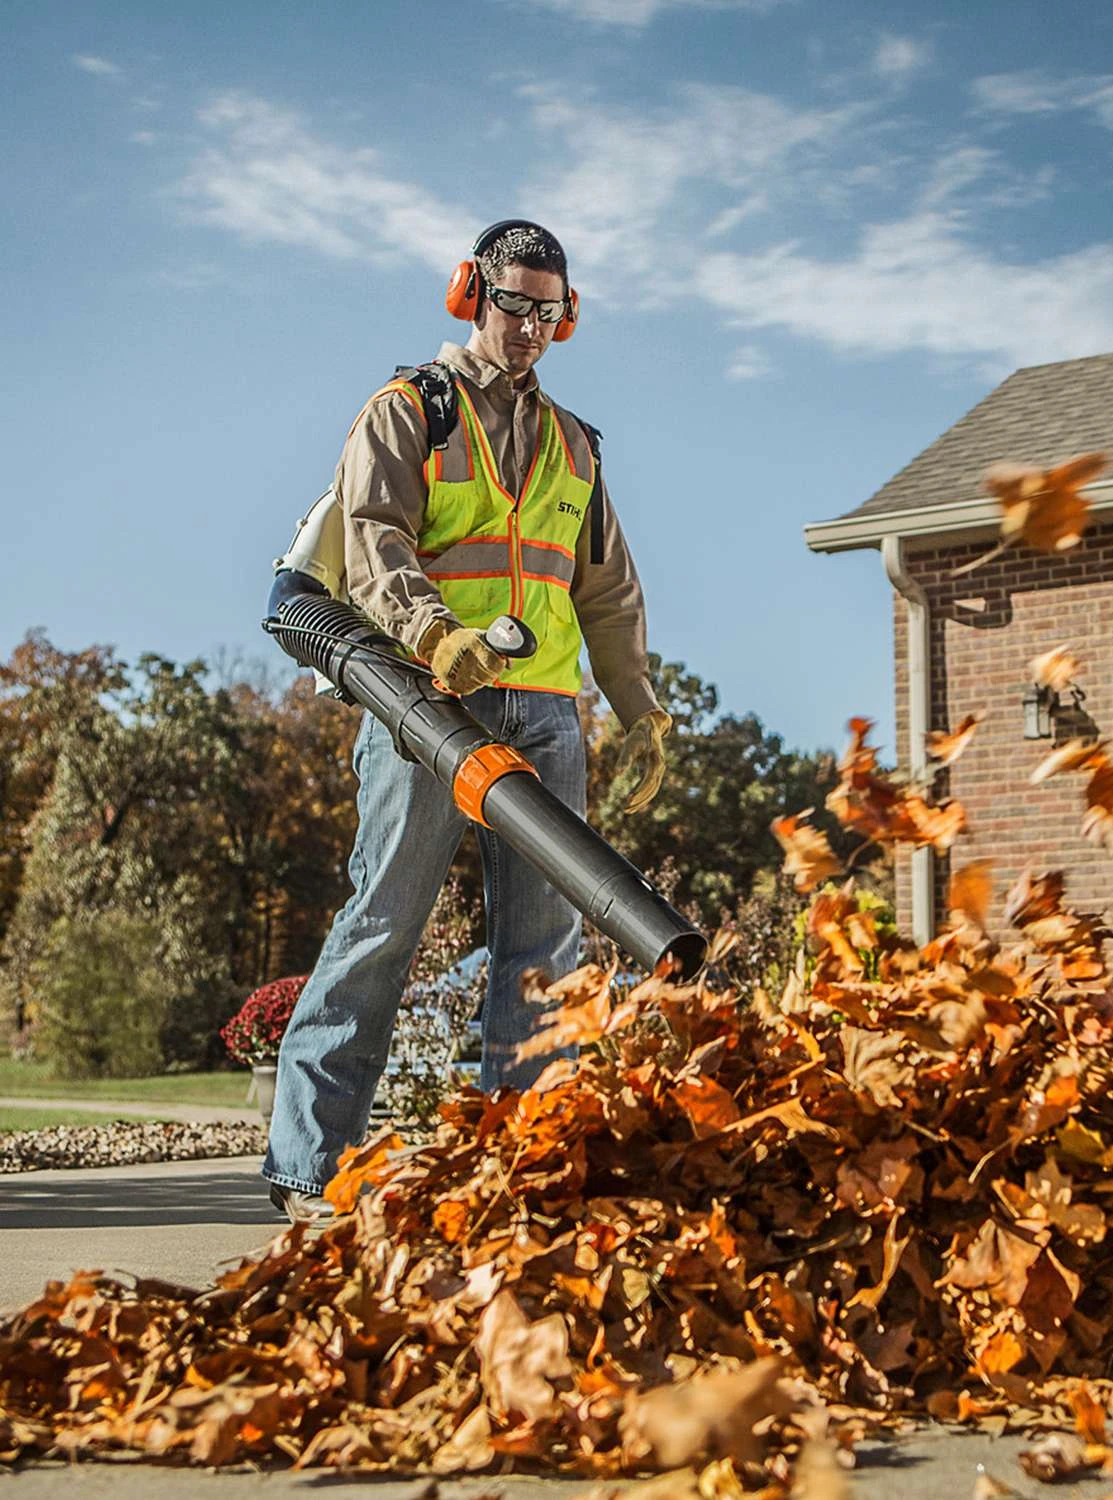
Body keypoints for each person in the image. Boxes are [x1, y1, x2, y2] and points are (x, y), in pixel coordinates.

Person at [262, 219, 671, 1222]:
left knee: (546, 947)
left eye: (546, 310)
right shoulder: (412, 411)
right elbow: (372, 538)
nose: (527, 326)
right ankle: (310, 1170)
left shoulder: (578, 443)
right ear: (470, 297)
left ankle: (522, 1170)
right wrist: (433, 633)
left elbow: (607, 593)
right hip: (427, 706)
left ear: (563, 319)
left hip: (546, 715)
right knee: (383, 925)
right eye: (511, 304)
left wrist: (641, 708)